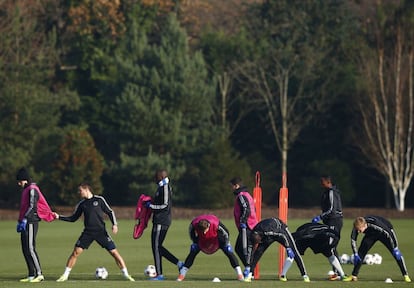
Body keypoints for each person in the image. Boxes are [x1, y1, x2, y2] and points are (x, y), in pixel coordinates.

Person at [55, 183, 135, 282]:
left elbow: (110, 212)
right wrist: (59, 217)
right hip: (88, 233)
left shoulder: (99, 200)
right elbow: (73, 218)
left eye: (80, 190)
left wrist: (114, 224)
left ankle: (126, 275)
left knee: (114, 253)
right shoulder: (81, 204)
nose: (79, 193)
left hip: (101, 232)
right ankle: (65, 275)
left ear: (86, 189)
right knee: (75, 252)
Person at [16, 167, 57, 283]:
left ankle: (39, 274)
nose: (19, 184)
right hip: (25, 222)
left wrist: (24, 219)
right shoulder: (25, 189)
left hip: (31, 221)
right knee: (24, 249)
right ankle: (31, 274)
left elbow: (32, 206)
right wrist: (20, 221)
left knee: (30, 247)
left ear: (24, 179)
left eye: (20, 181)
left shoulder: (32, 189)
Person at [176, 214, 244, 282]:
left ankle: (240, 274)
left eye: (205, 230)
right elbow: (191, 233)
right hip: (201, 240)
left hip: (216, 238)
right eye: (202, 231)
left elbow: (226, 233)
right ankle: (182, 274)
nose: (204, 232)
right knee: (193, 250)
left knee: (228, 251)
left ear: (208, 225)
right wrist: (195, 241)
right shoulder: (194, 224)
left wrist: (225, 243)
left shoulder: (215, 223)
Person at [346, 215, 411, 282]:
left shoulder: (377, 224)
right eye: (357, 230)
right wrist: (355, 253)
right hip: (371, 234)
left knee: (396, 254)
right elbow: (353, 240)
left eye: (359, 230)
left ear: (364, 226)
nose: (358, 232)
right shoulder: (357, 226)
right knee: (361, 252)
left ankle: (405, 275)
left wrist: (395, 248)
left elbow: (390, 234)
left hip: (385, 233)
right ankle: (354, 275)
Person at [244, 218, 310, 282]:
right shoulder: (251, 237)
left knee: (294, 251)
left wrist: (288, 247)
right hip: (267, 235)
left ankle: (304, 275)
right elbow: (250, 252)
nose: (259, 243)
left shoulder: (268, 230)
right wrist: (247, 266)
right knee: (258, 252)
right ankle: (250, 274)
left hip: (281, 230)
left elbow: (282, 235)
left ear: (260, 237)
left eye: (259, 241)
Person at [145, 169, 182, 280]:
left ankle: (159, 274)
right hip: (158, 220)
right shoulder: (161, 187)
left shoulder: (165, 187)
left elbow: (165, 205)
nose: (154, 179)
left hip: (162, 220)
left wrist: (150, 206)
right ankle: (179, 264)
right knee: (158, 247)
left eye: (156, 177)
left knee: (156, 247)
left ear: (161, 177)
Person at [311, 175, 343, 278]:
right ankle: (337, 272)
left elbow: (332, 210)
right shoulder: (327, 192)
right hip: (329, 221)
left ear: (328, 182)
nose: (321, 184)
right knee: (331, 246)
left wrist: (320, 217)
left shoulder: (331, 192)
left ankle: (338, 273)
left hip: (334, 220)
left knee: (331, 245)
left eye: (322, 182)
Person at [230, 177, 258, 277]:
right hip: (248, 226)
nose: (231, 188)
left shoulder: (241, 196)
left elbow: (246, 209)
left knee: (245, 249)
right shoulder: (246, 194)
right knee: (238, 248)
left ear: (236, 186)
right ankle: (250, 269)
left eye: (232, 186)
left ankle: (250, 271)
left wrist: (243, 222)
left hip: (247, 226)